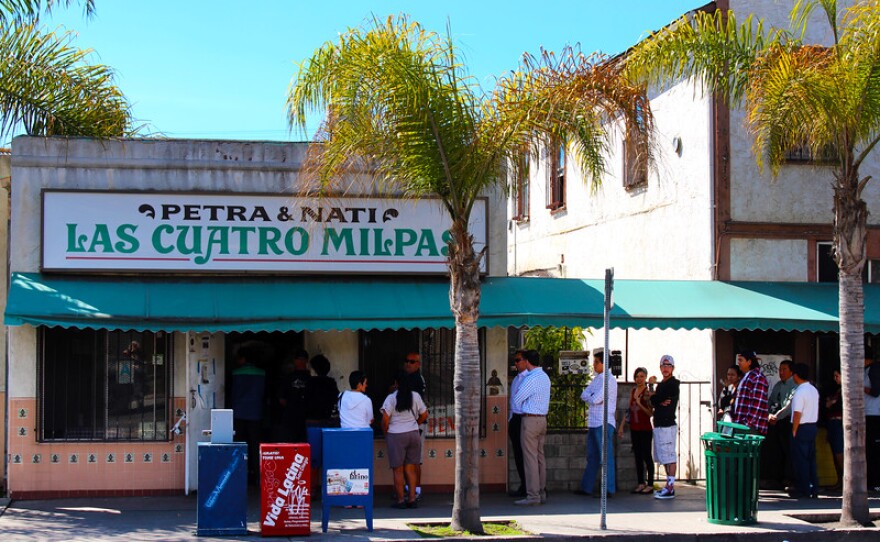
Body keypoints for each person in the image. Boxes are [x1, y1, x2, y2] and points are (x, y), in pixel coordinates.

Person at [381, 371, 427, 509]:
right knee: (411, 469)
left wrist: (386, 432)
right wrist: (415, 424)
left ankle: (401, 500)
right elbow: (424, 414)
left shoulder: (391, 398)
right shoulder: (416, 396)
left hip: (396, 435)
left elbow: (385, 419)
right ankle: (412, 499)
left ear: (396, 384)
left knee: (398, 470)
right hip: (413, 435)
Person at [510, 349, 550, 506]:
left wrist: (522, 407)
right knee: (540, 457)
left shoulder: (530, 378)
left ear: (527, 361)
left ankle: (533, 495)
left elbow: (517, 399)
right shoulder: (544, 377)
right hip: (542, 419)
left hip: (530, 420)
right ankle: (541, 491)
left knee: (530, 459)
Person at [576, 351, 617, 497]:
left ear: (604, 363)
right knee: (592, 456)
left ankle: (609, 489)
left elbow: (596, 399)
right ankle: (586, 487)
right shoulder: (597, 379)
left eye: (596, 362)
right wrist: (591, 396)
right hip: (593, 422)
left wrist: (591, 396)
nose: (594, 365)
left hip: (603, 421)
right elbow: (584, 394)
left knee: (605, 457)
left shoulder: (609, 380)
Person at [230, 345, 266, 484]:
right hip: (256, 413)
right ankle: (257, 475)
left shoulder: (235, 373)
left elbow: (232, 393)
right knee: (256, 444)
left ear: (243, 358)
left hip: (238, 413)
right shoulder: (262, 373)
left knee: (240, 444)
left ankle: (240, 473)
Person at [648, 354, 680, 499]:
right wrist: (655, 397)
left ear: (672, 368)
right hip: (659, 424)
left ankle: (671, 486)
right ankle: (668, 484)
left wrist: (656, 397)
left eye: (669, 365)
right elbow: (654, 400)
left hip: (667, 424)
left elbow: (657, 398)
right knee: (663, 456)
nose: (666, 368)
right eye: (664, 365)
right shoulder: (661, 385)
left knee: (669, 455)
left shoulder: (673, 384)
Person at [618, 367, 654, 494]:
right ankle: (640, 482)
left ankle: (650, 483)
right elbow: (628, 411)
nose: (639, 379)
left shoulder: (647, 392)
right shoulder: (633, 391)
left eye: (642, 376)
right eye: (637, 376)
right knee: (638, 456)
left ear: (645, 378)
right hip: (635, 428)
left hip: (645, 429)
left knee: (647, 456)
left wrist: (640, 403)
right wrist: (622, 426)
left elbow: (650, 413)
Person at [763, 359, 797, 490]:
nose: (781, 372)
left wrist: (777, 417)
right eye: (780, 369)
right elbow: (770, 401)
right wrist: (769, 414)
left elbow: (789, 406)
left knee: (789, 451)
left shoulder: (794, 385)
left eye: (784, 370)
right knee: (777, 451)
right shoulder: (778, 385)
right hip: (775, 422)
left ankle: (790, 479)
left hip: (788, 420)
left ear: (791, 371)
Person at [789, 362, 819, 499]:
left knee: (800, 459)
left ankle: (803, 489)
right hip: (812, 425)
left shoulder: (800, 391)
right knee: (810, 459)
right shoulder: (813, 389)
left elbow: (797, 413)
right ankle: (813, 487)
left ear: (796, 375)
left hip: (801, 427)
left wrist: (794, 429)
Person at [403, 352, 428, 500]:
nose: (408, 364)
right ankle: (409, 489)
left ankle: (416, 490)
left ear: (418, 364)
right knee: (407, 461)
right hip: (408, 425)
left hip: (416, 425)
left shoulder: (416, 380)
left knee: (416, 460)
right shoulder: (409, 378)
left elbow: (421, 411)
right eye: (406, 361)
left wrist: (415, 424)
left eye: (411, 362)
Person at [732, 350, 770, 436]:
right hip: (741, 425)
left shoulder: (757, 377)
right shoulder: (746, 376)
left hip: (751, 428)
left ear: (749, 362)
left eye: (741, 360)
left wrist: (748, 423)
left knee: (748, 449)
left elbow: (757, 404)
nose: (738, 363)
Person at [508, 350, 529, 498]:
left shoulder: (529, 378)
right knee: (518, 453)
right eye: (514, 360)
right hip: (515, 418)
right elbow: (512, 401)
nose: (515, 363)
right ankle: (524, 484)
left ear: (526, 361)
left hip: (524, 417)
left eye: (518, 360)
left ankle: (531, 486)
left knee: (527, 455)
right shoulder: (516, 379)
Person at [279, 349, 311, 443]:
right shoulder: (288, 378)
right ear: (294, 361)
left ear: (306, 361)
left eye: (303, 359)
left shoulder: (311, 378)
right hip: (290, 417)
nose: (300, 361)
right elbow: (281, 398)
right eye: (298, 359)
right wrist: (292, 407)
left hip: (306, 417)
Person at [305, 354, 340, 427]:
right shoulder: (331, 382)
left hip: (312, 420)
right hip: (327, 419)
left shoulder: (310, 383)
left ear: (315, 369)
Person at [823, 368, 843, 490]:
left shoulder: (847, 391)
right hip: (832, 422)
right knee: (835, 453)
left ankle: (845, 480)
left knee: (840, 452)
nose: (835, 379)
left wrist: (831, 403)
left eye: (837, 376)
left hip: (839, 422)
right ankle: (839, 480)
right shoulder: (837, 390)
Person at [865, 344, 880, 493]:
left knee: (874, 450)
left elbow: (875, 391)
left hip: (874, 414)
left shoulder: (874, 370)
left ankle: (876, 482)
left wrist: (858, 387)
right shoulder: (865, 370)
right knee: (868, 450)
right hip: (866, 413)